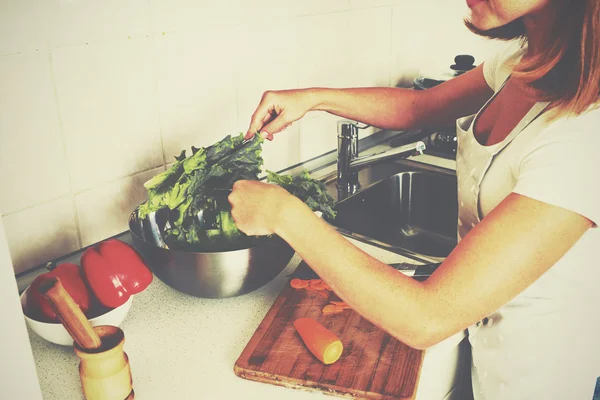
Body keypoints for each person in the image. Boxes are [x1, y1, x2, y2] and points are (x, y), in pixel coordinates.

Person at [228, 0, 600, 398]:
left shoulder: (585, 132)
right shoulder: (524, 62)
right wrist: (313, 98)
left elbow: (427, 317)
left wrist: (287, 215)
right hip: (483, 357)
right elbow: (419, 107)